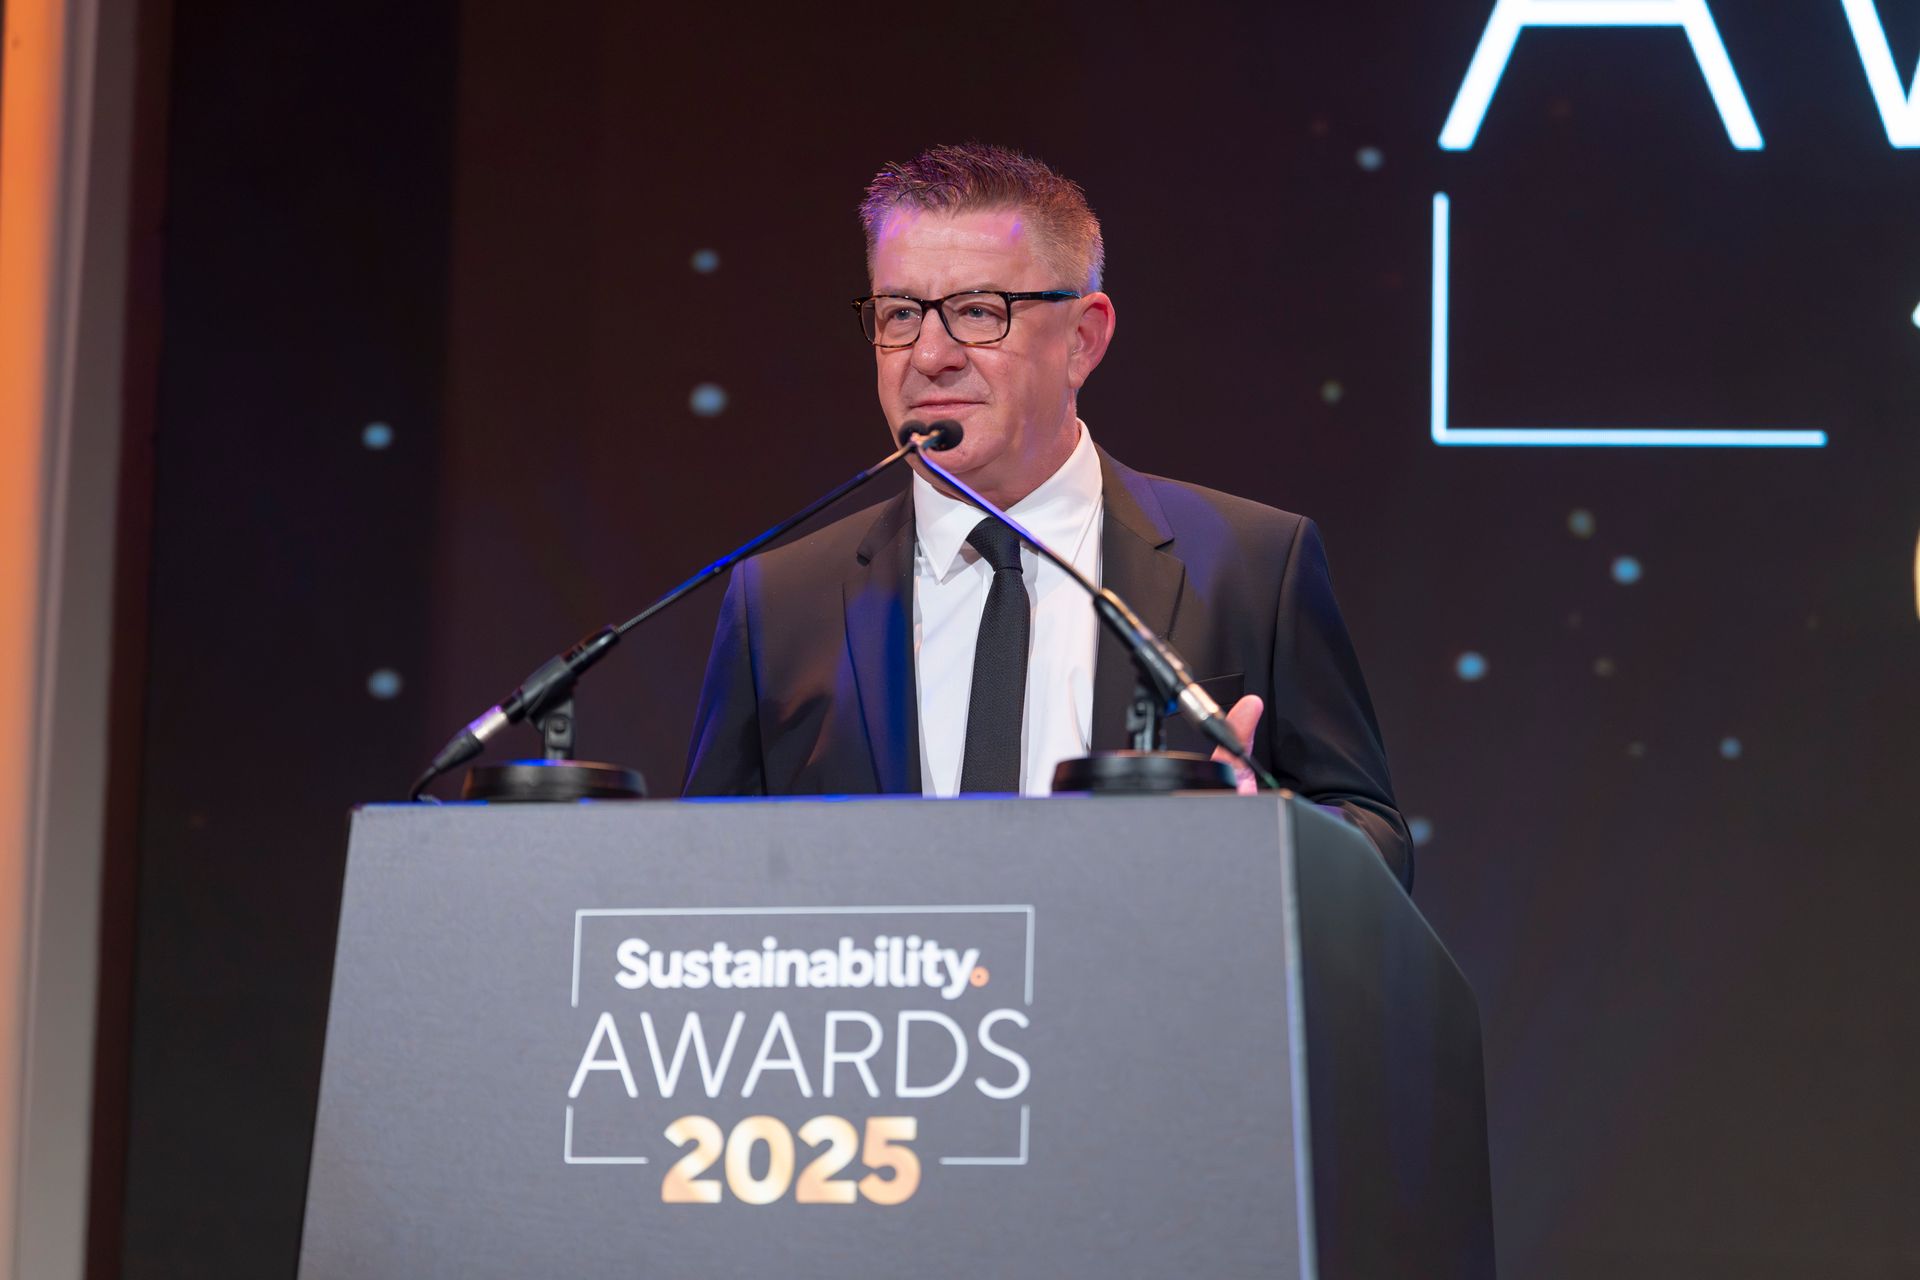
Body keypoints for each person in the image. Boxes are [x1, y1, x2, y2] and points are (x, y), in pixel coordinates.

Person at [683, 143, 1412, 888]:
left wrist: (1267, 841)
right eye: (900, 313)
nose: (930, 353)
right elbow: (701, 878)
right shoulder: (780, 601)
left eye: (976, 311)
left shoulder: (1250, 563)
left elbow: (1376, 840)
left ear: (1083, 339)